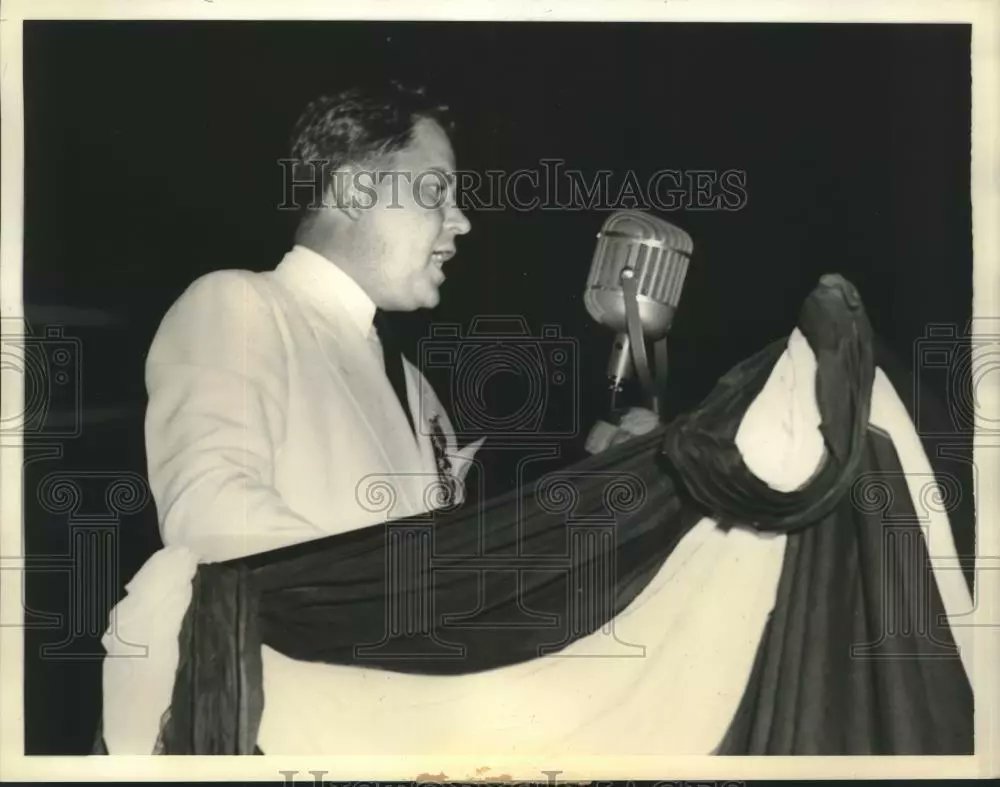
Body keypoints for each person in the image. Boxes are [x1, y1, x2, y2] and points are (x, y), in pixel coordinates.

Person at [143, 84, 482, 563]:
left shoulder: (415, 386)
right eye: (435, 191)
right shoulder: (241, 305)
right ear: (353, 192)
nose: (461, 221)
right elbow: (212, 516)